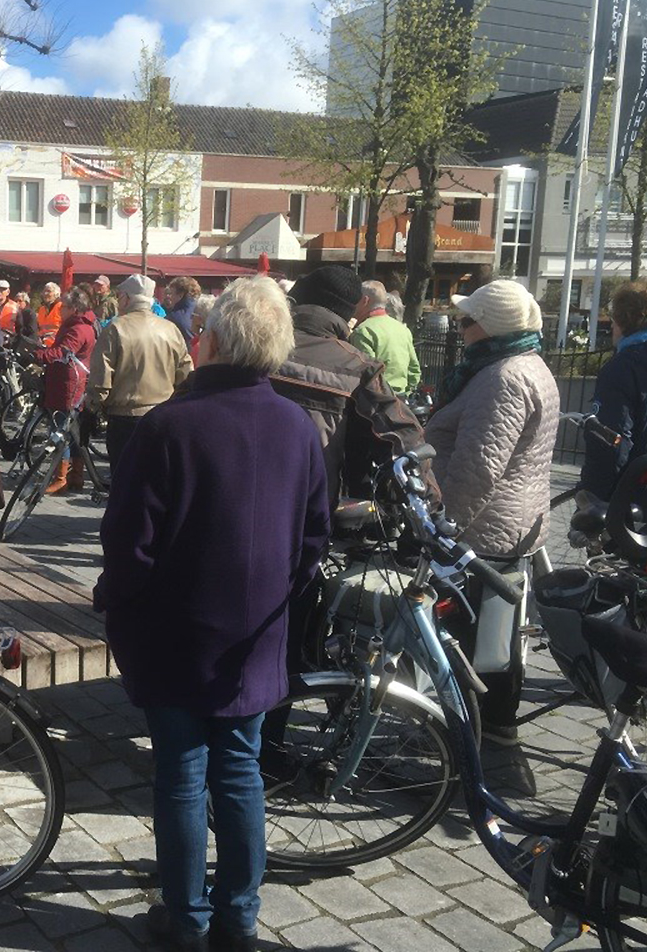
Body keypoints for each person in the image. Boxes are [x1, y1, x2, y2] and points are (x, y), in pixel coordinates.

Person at [97, 276, 330, 952]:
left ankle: (190, 921)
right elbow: (314, 538)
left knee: (182, 774)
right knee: (238, 770)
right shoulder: (296, 424)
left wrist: (115, 600)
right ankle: (239, 918)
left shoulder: (168, 426)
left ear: (214, 340)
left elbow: (128, 543)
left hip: (174, 632)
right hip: (255, 633)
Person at [425, 279, 559, 792]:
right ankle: (488, 734)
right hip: (509, 523)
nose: (460, 331)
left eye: (465, 321)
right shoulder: (524, 365)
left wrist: (446, 527)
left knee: (472, 640)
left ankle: (474, 744)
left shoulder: (502, 377)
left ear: (488, 326)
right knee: (495, 639)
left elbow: (480, 468)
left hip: (486, 530)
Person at [273, 265, 428, 504]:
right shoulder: (361, 364)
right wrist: (431, 509)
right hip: (312, 504)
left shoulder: (255, 348)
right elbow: (406, 436)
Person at [87, 273, 194, 471]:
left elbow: (101, 377)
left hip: (125, 417)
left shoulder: (116, 328)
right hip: (163, 414)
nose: (118, 302)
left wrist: (91, 406)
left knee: (124, 480)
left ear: (127, 298)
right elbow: (186, 374)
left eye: (120, 297)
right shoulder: (170, 329)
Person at [580, 280, 647, 501]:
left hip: (634, 500)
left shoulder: (623, 367)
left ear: (623, 321)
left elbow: (612, 442)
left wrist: (592, 501)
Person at [35, 284, 99, 495]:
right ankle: (76, 476)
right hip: (71, 382)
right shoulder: (81, 324)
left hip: (68, 385)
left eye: (64, 307)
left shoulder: (78, 328)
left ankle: (61, 478)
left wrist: (39, 355)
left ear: (74, 308)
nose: (60, 310)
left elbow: (63, 352)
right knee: (73, 433)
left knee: (60, 431)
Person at [348, 279, 421, 395]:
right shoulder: (403, 329)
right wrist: (406, 393)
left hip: (376, 400)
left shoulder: (363, 331)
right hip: (400, 398)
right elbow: (414, 370)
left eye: (356, 300)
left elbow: (367, 374)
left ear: (365, 301)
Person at [164, 276, 200, 347]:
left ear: (180, 295)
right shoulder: (204, 310)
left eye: (172, 294)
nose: (170, 297)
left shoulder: (172, 318)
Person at [36, 282, 64, 346]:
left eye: (49, 291)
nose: (45, 293)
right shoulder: (41, 309)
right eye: (44, 291)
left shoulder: (61, 307)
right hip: (42, 345)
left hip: (56, 345)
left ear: (56, 294)